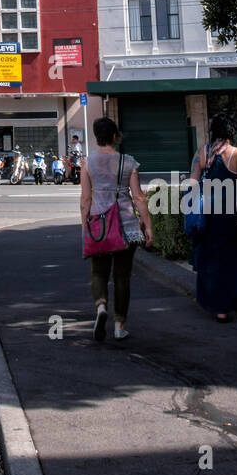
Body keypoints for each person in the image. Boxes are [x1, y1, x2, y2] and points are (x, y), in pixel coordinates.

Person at [187, 112, 237, 323]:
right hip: (233, 213)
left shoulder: (202, 153)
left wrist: (193, 210)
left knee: (212, 259)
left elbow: (193, 183)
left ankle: (220, 308)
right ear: (232, 131)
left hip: (209, 215)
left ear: (213, 131)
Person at [80, 116, 153, 341]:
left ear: (97, 137)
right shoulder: (128, 162)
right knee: (122, 277)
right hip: (126, 225)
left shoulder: (87, 163)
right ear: (114, 137)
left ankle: (101, 307)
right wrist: (148, 226)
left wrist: (85, 225)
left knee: (98, 272)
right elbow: (139, 197)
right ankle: (120, 326)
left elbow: (85, 199)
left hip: (99, 226)